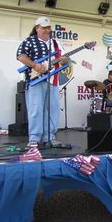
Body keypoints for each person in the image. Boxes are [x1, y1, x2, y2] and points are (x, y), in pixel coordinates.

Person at [16, 16, 69, 147]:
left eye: (48, 28)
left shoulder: (55, 43)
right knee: (36, 109)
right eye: (44, 28)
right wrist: (35, 65)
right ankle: (34, 138)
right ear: (37, 28)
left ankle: (50, 137)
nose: (46, 30)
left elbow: (65, 58)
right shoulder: (29, 41)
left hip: (53, 80)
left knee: (53, 110)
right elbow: (20, 56)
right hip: (36, 80)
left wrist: (64, 60)